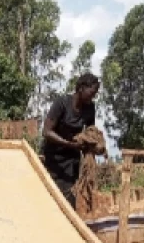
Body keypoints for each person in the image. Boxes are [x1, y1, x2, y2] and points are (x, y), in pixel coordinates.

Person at [42, 73, 104, 204]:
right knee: (50, 198)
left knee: (68, 199)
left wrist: (95, 146)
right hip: (54, 159)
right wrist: (68, 144)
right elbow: (47, 132)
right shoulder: (62, 103)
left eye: (95, 94)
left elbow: (90, 132)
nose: (93, 96)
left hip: (72, 161)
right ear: (81, 88)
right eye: (92, 92)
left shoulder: (90, 108)